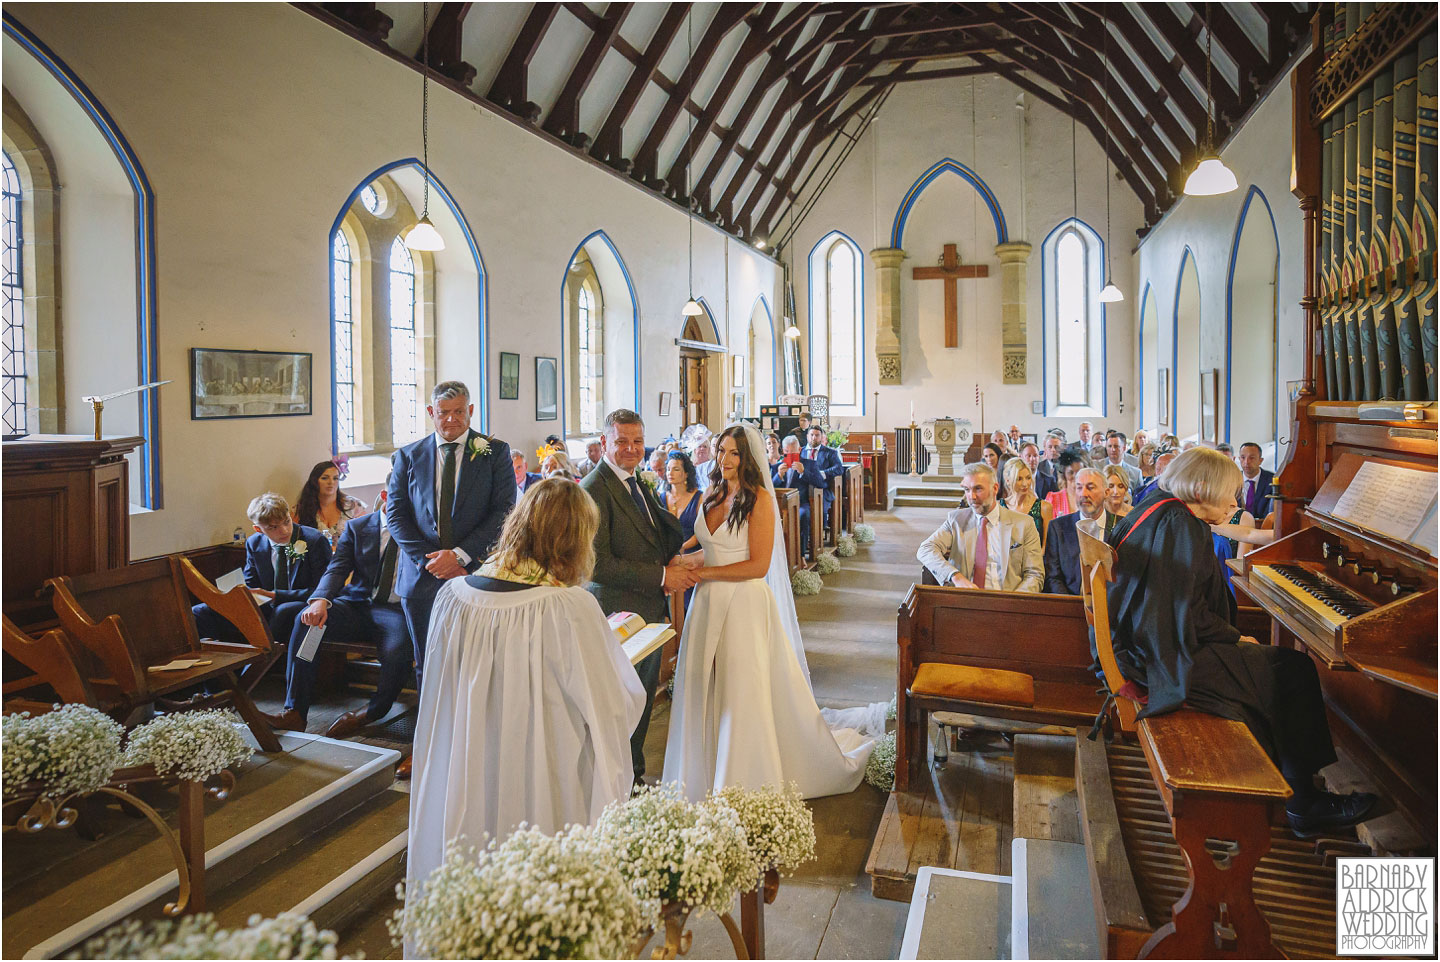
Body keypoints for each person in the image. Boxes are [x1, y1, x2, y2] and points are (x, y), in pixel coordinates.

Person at [1106, 448, 1376, 838]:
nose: (1235, 503)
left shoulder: (1157, 507)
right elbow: (1186, 617)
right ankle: (1304, 804)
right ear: (1201, 488)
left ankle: (1297, 788)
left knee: (1278, 665)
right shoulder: (1182, 527)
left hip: (1144, 647)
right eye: (1230, 494)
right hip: (1163, 659)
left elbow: (1175, 607)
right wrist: (1234, 636)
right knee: (1295, 670)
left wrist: (1233, 638)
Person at [405, 479, 645, 913]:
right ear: (574, 542)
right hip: (544, 774)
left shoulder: (452, 598)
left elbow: (439, 699)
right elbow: (612, 707)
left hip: (468, 767)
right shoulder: (570, 608)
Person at [663, 425, 880, 799]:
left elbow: (757, 565)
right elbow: (712, 550)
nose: (725, 460)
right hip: (707, 604)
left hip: (743, 604)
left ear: (747, 458)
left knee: (741, 691)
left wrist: (699, 574)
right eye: (721, 451)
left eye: (734, 453)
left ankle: (743, 780)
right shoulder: (712, 494)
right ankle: (706, 770)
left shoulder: (759, 499)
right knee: (707, 685)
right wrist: (681, 563)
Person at [386, 380, 515, 703]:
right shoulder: (409, 456)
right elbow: (396, 517)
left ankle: (471, 738)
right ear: (431, 412)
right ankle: (429, 741)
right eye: (443, 413)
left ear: (470, 411)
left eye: (459, 412)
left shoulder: (494, 452)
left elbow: (504, 511)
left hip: (473, 574)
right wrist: (429, 560)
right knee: (428, 662)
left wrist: (460, 556)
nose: (451, 420)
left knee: (475, 662)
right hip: (421, 578)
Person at [579, 408, 688, 781]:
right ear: (604, 442)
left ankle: (633, 775)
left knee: (640, 700)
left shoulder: (636, 481)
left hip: (646, 609)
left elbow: (652, 531)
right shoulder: (593, 489)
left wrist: (671, 556)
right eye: (621, 441)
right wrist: (662, 575)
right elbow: (597, 564)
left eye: (637, 441)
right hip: (618, 613)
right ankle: (619, 781)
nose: (631, 448)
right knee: (621, 704)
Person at [266, 484, 413, 744]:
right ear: (385, 496)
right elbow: (336, 568)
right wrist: (320, 600)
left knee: (398, 650)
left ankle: (372, 711)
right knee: (307, 622)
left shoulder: (419, 530)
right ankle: (295, 712)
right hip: (356, 604)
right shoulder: (359, 528)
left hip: (395, 610)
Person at [194, 492, 331, 653]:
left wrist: (275, 595)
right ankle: (220, 666)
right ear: (258, 529)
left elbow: (322, 590)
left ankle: (260, 665)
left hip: (301, 603)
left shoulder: (313, 540)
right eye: (273, 527)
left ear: (291, 516)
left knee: (283, 610)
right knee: (200, 611)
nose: (285, 530)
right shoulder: (254, 543)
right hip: (266, 604)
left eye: (287, 521)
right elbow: (251, 582)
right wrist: (236, 595)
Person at [917, 462, 1044, 592]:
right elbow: (925, 549)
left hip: (1008, 601)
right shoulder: (956, 520)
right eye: (967, 489)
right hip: (966, 602)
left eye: (978, 489)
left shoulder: (1024, 524)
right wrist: (956, 577)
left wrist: (1013, 603)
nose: (971, 497)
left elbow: (1034, 574)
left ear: (995, 488)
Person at [1043, 468, 1119, 595]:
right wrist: (1070, 607)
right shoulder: (1058, 528)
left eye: (1090, 487)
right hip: (1069, 606)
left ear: (1106, 492)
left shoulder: (1122, 526)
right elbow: (1052, 577)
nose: (1084, 494)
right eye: (1079, 488)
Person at [292, 460, 367, 547]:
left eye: (335, 478)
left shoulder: (353, 506)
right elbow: (294, 543)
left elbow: (365, 536)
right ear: (314, 481)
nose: (331, 482)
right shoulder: (301, 510)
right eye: (325, 478)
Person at [774, 436, 827, 555]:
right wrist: (779, 476)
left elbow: (820, 483)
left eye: (793, 452)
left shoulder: (810, 464)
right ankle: (777, 555)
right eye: (787, 452)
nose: (790, 454)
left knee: (802, 515)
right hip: (779, 504)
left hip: (801, 503)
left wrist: (804, 472)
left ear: (799, 450)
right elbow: (769, 487)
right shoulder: (777, 465)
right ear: (783, 451)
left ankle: (800, 554)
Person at [1000, 457, 1052, 546]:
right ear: (1008, 481)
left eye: (1028, 478)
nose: (1025, 484)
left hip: (1037, 558)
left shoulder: (1044, 507)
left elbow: (1046, 546)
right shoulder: (1000, 507)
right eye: (1019, 479)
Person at [660, 450, 703, 546]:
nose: (670, 473)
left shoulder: (699, 497)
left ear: (686, 473)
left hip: (690, 552)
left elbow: (700, 533)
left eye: (676, 469)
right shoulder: (661, 497)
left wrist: (682, 549)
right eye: (668, 469)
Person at [803, 425, 846, 516]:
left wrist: (823, 473)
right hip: (803, 488)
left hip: (822, 489)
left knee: (819, 510)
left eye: (817, 435)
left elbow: (839, 468)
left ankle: (821, 526)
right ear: (807, 436)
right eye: (811, 435)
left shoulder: (830, 452)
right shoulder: (800, 452)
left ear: (822, 437)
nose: (814, 438)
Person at [1236, 442, 1274, 522]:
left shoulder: (1272, 480)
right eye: (1243, 457)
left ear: (1260, 460)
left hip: (1263, 527)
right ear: (1239, 459)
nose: (1246, 462)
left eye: (1252, 458)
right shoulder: (1232, 479)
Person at [1044, 451, 1086, 516]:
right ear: (1064, 475)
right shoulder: (1053, 500)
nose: (1075, 476)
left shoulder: (1091, 498)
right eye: (1071, 472)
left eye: (1079, 472)